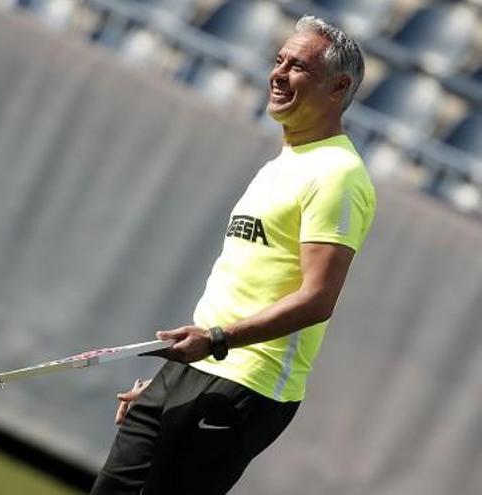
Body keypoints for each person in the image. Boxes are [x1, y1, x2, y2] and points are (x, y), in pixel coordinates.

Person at [91, 16, 376, 494]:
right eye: (279, 60)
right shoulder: (280, 166)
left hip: (247, 384)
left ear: (338, 87)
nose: (279, 73)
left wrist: (216, 340)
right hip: (194, 370)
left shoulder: (338, 176)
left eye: (298, 66)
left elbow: (317, 298)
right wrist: (171, 384)